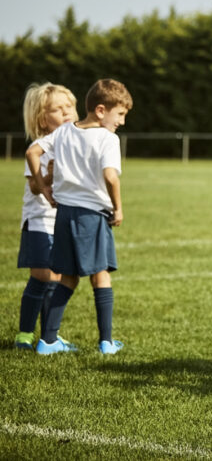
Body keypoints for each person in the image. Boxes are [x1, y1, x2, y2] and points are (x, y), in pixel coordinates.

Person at [26, 78, 132, 355]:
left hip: (64, 216)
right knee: (101, 275)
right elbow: (110, 176)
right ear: (100, 110)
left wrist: (43, 185)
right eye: (119, 114)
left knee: (68, 278)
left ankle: (47, 341)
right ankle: (107, 342)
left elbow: (32, 151)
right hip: (92, 216)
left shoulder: (63, 133)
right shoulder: (107, 138)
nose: (121, 121)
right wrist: (118, 208)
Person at [14, 83, 78, 351]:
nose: (66, 112)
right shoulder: (41, 147)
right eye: (57, 109)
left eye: (69, 107)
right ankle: (25, 334)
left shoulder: (73, 144)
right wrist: (49, 175)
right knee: (43, 275)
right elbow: (34, 186)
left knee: (55, 277)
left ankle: (48, 336)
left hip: (61, 221)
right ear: (42, 118)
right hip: (40, 219)